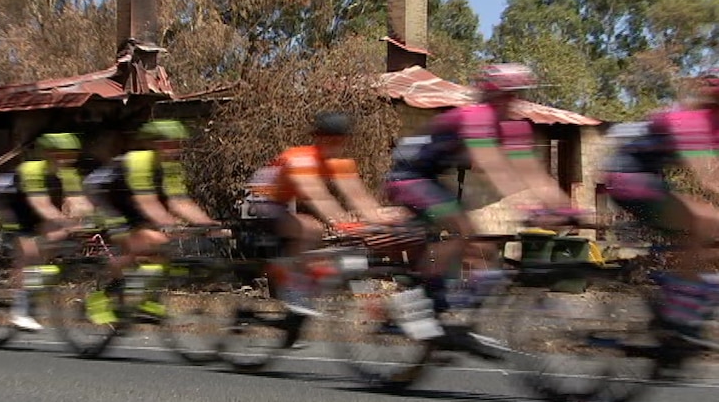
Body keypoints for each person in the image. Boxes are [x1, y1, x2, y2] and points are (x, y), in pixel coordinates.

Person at [384, 63, 575, 313]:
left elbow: (533, 172)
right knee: (463, 230)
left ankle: (447, 312)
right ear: (492, 95)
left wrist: (568, 208)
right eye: (507, 95)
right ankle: (419, 303)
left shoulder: (514, 127)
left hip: (431, 180)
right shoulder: (475, 116)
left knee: (482, 248)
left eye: (518, 95)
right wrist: (526, 206)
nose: (513, 101)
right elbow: (491, 164)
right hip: (407, 177)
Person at [603, 69, 719, 345]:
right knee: (704, 219)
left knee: (698, 226)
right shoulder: (692, 120)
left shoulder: (712, 123)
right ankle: (679, 304)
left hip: (646, 180)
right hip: (627, 179)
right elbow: (706, 177)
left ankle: (679, 299)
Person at [249, 111, 395, 315]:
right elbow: (317, 195)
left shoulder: (337, 163)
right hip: (261, 198)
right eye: (330, 140)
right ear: (318, 138)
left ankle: (295, 274)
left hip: (283, 203)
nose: (335, 145)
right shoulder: (300, 159)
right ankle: (290, 283)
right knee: (311, 228)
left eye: (340, 140)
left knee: (314, 240)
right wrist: (343, 222)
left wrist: (382, 221)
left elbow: (359, 197)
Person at [82, 119, 221, 323]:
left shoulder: (171, 167)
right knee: (143, 244)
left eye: (176, 143)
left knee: (160, 254)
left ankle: (145, 297)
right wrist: (170, 225)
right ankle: (100, 298)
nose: (172, 148)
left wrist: (209, 224)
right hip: (104, 197)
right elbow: (146, 201)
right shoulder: (139, 161)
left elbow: (179, 202)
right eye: (165, 143)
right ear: (152, 144)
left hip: (129, 201)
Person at [0, 132, 93, 332]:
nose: (65, 159)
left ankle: (32, 290)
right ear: (47, 154)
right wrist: (65, 221)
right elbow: (41, 205)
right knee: (29, 252)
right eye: (59, 155)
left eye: (69, 155)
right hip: (9, 204)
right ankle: (19, 310)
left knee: (52, 242)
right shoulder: (32, 170)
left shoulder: (69, 173)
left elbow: (78, 200)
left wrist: (87, 217)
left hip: (34, 209)